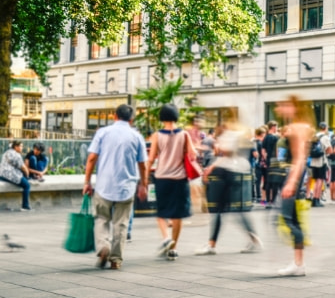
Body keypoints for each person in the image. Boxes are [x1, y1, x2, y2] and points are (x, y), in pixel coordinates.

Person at [83, 104, 147, 270]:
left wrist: (87, 182)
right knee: (121, 223)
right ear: (131, 119)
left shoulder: (103, 133)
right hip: (126, 187)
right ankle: (116, 260)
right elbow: (143, 165)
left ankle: (103, 246)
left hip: (104, 185)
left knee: (101, 219)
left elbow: (91, 159)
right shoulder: (136, 136)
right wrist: (143, 185)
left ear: (114, 116)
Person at [195, 112, 263, 256]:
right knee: (235, 211)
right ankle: (252, 240)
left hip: (227, 174)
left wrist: (211, 168)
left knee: (220, 211)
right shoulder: (241, 135)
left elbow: (226, 154)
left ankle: (212, 245)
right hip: (240, 173)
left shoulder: (229, 135)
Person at [146, 104, 197, 261]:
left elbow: (151, 158)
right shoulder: (184, 135)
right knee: (177, 215)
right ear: (176, 116)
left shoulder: (157, 135)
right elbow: (193, 154)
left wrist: (145, 177)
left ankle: (166, 238)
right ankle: (173, 248)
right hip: (180, 179)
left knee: (161, 212)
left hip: (162, 177)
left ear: (162, 117)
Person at [274, 96, 315, 276]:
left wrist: (291, 182)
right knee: (291, 218)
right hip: (295, 176)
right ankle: (298, 263)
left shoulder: (297, 127)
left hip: (293, 176)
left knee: (287, 218)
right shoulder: (300, 126)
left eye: (283, 105)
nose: (279, 108)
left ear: (293, 107)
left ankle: (299, 262)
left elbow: (299, 158)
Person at [0, 140, 32, 211]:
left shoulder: (7, 152)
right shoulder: (16, 155)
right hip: (10, 175)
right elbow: (23, 168)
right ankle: (25, 206)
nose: (22, 148)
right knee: (27, 185)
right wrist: (27, 175)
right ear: (16, 147)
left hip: (2, 174)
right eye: (21, 146)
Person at [309, 122, 332, 207]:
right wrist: (327, 153)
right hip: (321, 161)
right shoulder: (325, 137)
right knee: (320, 180)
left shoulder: (315, 136)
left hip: (313, 160)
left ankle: (313, 199)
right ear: (325, 128)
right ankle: (316, 199)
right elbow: (330, 150)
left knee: (315, 180)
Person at [261, 121, 279, 206]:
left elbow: (263, 150)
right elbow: (277, 150)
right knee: (274, 181)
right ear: (273, 127)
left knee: (268, 181)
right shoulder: (275, 138)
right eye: (276, 127)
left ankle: (268, 200)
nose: (276, 129)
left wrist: (265, 158)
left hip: (268, 160)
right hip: (275, 160)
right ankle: (273, 200)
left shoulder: (266, 137)